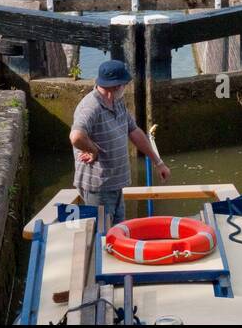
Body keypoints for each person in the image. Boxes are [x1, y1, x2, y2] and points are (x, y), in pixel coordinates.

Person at [70, 59, 170, 225]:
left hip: (115, 184)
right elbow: (76, 136)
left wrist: (158, 162)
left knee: (117, 232)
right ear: (117, 86)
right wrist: (93, 150)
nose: (126, 87)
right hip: (98, 187)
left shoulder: (117, 103)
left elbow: (134, 131)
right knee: (102, 235)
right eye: (125, 84)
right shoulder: (90, 107)